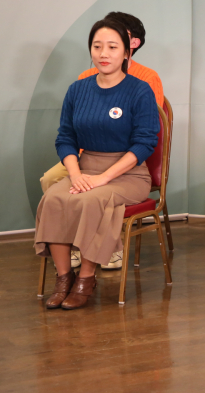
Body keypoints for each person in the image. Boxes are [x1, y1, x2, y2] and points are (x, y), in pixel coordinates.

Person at [36, 18, 159, 310]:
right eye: (97, 46)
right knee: (53, 198)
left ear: (127, 52)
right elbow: (65, 138)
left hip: (128, 174)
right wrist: (76, 174)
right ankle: (64, 277)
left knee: (93, 199)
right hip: (85, 167)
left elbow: (144, 144)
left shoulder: (140, 90)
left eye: (112, 47)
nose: (104, 53)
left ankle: (86, 278)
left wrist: (102, 178)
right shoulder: (77, 90)